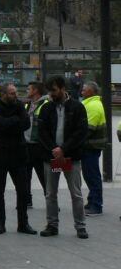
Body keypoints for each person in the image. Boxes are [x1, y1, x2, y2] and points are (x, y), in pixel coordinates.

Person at [38, 75, 89, 239]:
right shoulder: (46, 108)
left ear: (62, 88)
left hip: (71, 157)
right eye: (49, 91)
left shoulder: (77, 107)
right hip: (52, 157)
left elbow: (80, 132)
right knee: (50, 193)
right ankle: (52, 225)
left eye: (53, 90)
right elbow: (42, 132)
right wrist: (54, 149)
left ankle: (80, 226)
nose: (51, 94)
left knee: (76, 193)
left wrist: (64, 149)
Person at [0, 83, 36, 236]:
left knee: (23, 191)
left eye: (15, 92)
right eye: (12, 93)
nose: (15, 95)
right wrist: (15, 120)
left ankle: (23, 223)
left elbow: (26, 124)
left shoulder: (20, 105)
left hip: (19, 154)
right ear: (3, 94)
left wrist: (9, 122)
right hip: (0, 154)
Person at [80, 82, 106, 216]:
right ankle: (92, 201)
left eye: (84, 89)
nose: (82, 91)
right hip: (89, 146)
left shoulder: (94, 105)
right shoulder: (89, 103)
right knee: (89, 175)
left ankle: (96, 205)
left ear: (91, 91)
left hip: (91, 146)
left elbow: (88, 128)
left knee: (92, 175)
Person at [24, 81, 50, 207]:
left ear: (35, 91)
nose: (27, 91)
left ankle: (50, 200)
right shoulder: (29, 104)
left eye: (29, 89)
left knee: (43, 175)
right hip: (27, 144)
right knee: (25, 175)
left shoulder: (45, 104)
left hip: (39, 146)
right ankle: (27, 200)